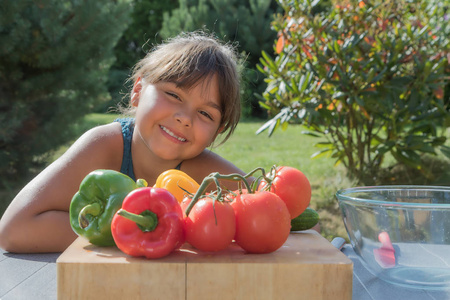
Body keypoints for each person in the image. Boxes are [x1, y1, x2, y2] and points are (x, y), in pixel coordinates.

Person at [0, 31, 246, 253]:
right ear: (138, 90)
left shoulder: (206, 176)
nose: (184, 118)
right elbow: (14, 229)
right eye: (173, 94)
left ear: (217, 131)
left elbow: (275, 208)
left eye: (206, 114)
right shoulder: (104, 146)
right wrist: (132, 234)